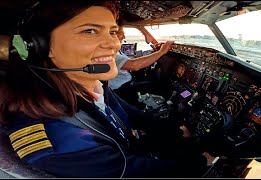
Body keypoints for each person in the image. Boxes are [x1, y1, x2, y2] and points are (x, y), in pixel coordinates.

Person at [0, 0, 214, 178]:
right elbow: (130, 172)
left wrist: (176, 132)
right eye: (90, 31)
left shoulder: (92, 84)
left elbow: (132, 114)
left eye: (112, 32)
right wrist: (199, 164)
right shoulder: (54, 139)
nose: (113, 44)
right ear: (41, 47)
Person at [108, 24, 174, 105]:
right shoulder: (109, 55)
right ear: (113, 34)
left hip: (126, 83)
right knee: (158, 86)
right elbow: (134, 65)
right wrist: (161, 52)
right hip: (122, 89)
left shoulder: (116, 51)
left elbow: (130, 60)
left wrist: (153, 52)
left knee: (154, 83)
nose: (124, 37)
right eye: (122, 33)